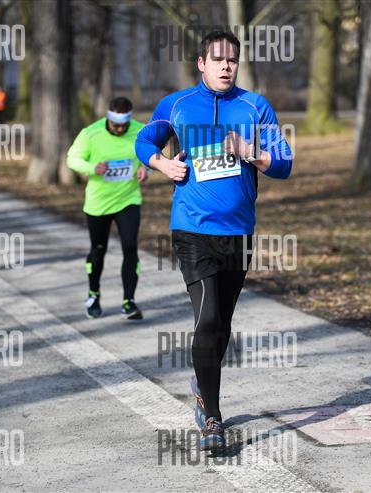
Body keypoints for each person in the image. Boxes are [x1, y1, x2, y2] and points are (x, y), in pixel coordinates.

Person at [135, 31, 292, 451]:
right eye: (218, 59)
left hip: (238, 232)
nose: (226, 66)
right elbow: (144, 140)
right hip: (192, 229)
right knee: (206, 318)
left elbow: (284, 163)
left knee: (221, 324)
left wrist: (250, 152)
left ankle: (201, 382)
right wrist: (163, 164)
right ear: (201, 63)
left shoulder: (255, 106)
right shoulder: (178, 105)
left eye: (232, 60)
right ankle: (212, 418)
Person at [67, 97, 148, 320]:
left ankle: (129, 301)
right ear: (108, 119)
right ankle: (93, 294)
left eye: (124, 125)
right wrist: (92, 168)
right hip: (99, 203)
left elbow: (152, 154)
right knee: (98, 249)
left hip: (128, 199)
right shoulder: (90, 134)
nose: (120, 129)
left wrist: (145, 167)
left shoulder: (140, 131)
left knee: (130, 248)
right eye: (116, 125)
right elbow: (72, 159)